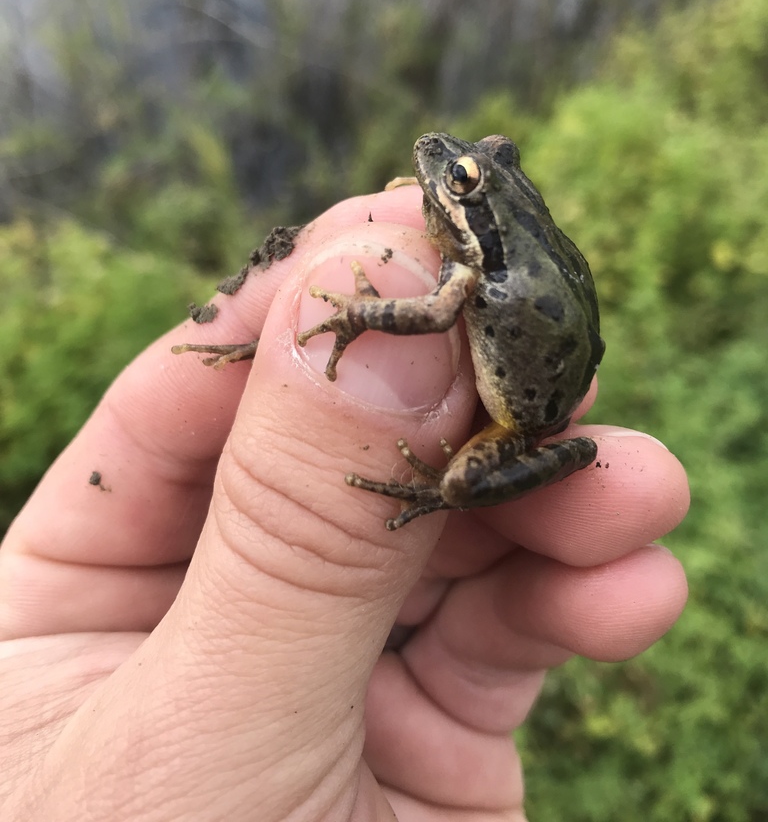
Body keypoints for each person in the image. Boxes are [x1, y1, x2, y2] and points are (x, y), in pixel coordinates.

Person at [0, 184, 689, 821]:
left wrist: (357, 315)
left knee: (456, 484)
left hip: (523, 418)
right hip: (550, 374)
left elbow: (434, 312)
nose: (440, 170)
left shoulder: (472, 272)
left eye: (463, 182)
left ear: (484, 221)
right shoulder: (480, 255)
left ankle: (430, 493)